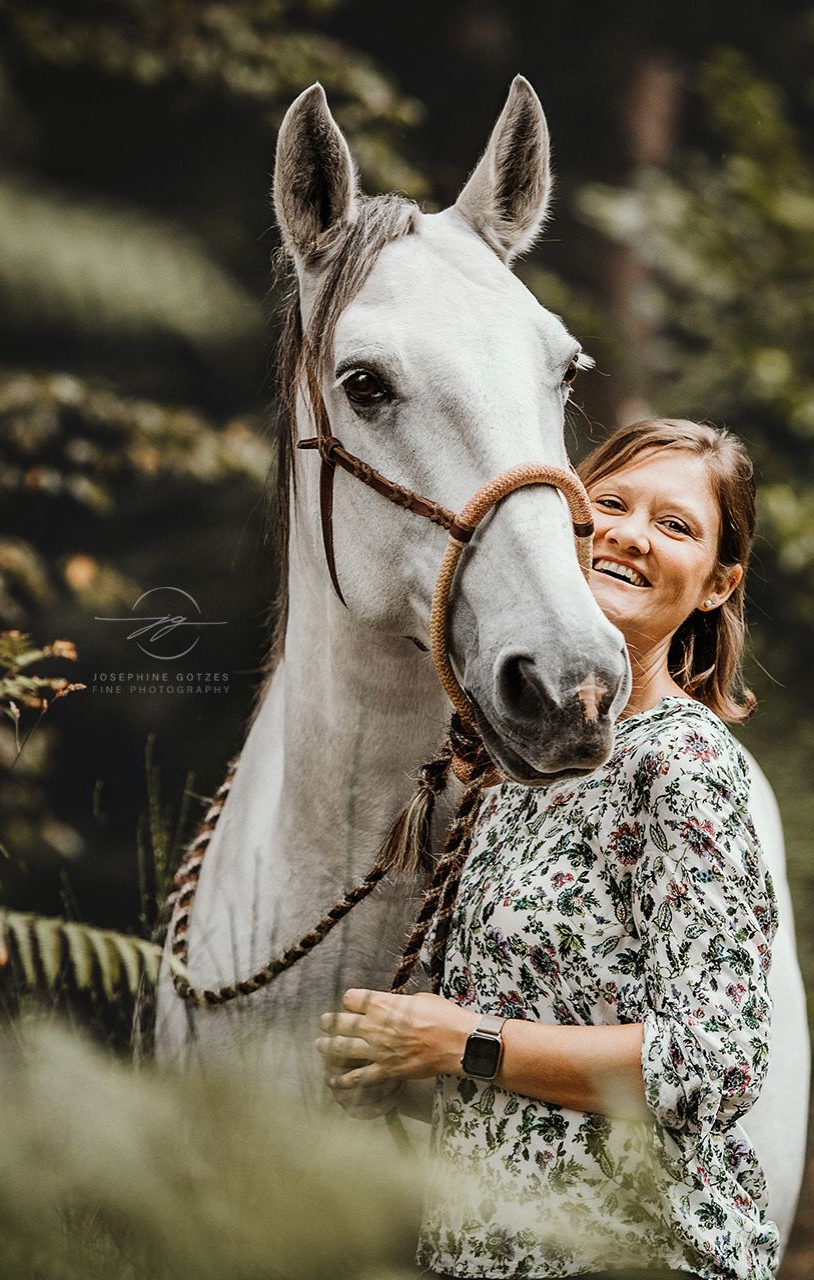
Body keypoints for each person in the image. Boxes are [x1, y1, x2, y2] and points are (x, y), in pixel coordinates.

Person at [315, 419, 779, 1280]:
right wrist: (401, 1061)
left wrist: (458, 1042)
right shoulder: (520, 768)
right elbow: (531, 1068)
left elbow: (716, 1065)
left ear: (718, 586)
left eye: (674, 525)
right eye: (609, 504)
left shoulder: (682, 762)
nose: (630, 535)